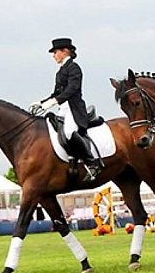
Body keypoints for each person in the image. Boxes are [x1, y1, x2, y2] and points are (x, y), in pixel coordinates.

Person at [30, 37, 102, 181]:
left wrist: (53, 102)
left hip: (74, 109)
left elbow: (72, 89)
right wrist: (42, 103)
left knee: (69, 132)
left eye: (55, 52)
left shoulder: (74, 68)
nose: (53, 55)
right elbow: (56, 93)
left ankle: (92, 163)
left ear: (65, 51)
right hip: (63, 108)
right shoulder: (60, 71)